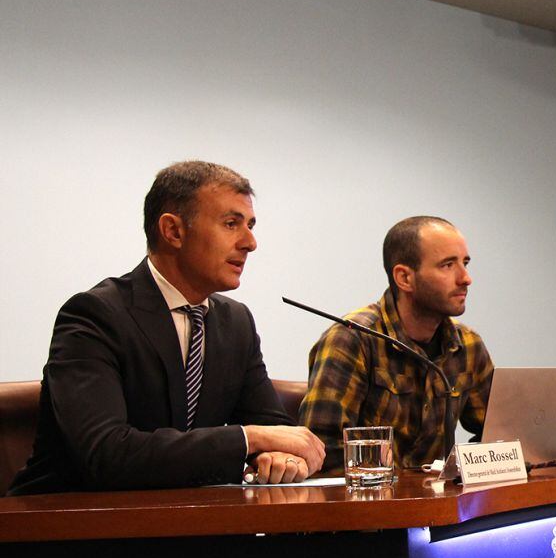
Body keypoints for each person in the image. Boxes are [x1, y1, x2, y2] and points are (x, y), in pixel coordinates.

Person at [7, 161, 325, 495]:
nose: (250, 242)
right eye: (231, 224)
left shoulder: (236, 323)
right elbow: (107, 453)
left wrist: (282, 455)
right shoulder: (95, 315)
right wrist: (250, 439)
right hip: (71, 527)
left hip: (189, 524)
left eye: (250, 225)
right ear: (173, 231)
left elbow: (274, 429)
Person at [299, 216, 494, 471]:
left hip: (440, 506)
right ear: (404, 278)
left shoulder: (468, 346)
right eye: (447, 265)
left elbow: (497, 436)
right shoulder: (352, 338)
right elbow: (321, 452)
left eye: (465, 263)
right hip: (369, 504)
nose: (466, 278)